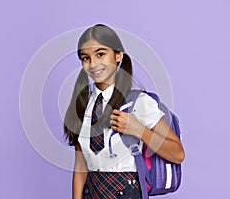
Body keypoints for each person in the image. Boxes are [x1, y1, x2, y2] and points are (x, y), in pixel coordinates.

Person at [64, 24, 185, 199]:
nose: (93, 64)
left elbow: (178, 154)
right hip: (91, 192)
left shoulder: (138, 102)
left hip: (126, 192)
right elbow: (81, 168)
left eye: (100, 54)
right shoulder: (83, 104)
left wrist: (139, 130)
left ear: (118, 55)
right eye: (85, 58)